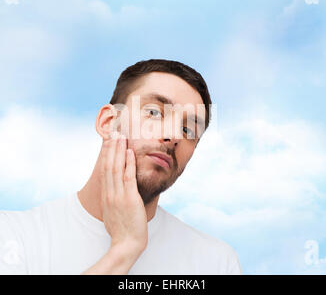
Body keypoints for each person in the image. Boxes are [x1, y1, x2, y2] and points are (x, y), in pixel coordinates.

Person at [0, 59, 242, 275]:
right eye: (154, 112)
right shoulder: (14, 236)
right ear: (108, 122)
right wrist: (125, 249)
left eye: (188, 130)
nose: (173, 136)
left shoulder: (216, 262)